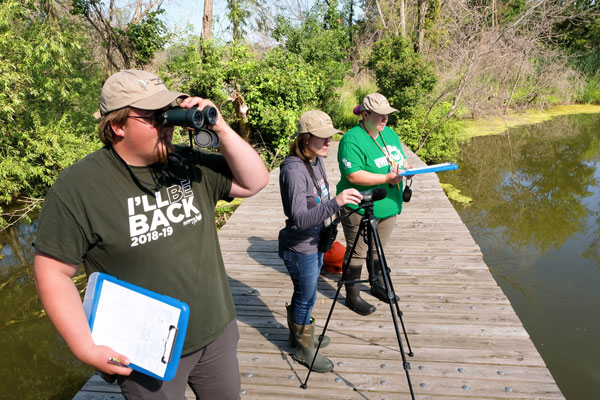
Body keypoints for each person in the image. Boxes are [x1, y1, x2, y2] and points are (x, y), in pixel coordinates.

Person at [33, 69, 269, 399]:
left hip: (216, 331)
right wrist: (84, 346)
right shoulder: (79, 187)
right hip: (147, 353)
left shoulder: (186, 162)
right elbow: (52, 272)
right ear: (118, 125)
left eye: (169, 113)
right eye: (155, 117)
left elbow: (254, 182)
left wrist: (220, 126)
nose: (168, 123)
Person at [278, 110, 362, 373]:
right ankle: (304, 349)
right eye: (323, 138)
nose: (329, 143)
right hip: (300, 246)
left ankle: (299, 337)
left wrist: (339, 206)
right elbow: (300, 218)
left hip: (316, 242)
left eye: (330, 137)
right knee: (307, 297)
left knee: (306, 294)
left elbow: (321, 201)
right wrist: (336, 202)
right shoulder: (293, 170)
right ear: (305, 139)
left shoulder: (315, 160)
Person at [336, 93, 412, 316]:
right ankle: (352, 296)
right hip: (359, 206)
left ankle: (378, 286)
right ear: (365, 114)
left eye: (387, 115)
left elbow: (401, 158)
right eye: (380, 115)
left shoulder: (389, 133)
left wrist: (406, 169)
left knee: (378, 248)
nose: (385, 119)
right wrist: (388, 179)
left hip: (388, 204)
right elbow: (353, 175)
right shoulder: (352, 139)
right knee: (357, 251)